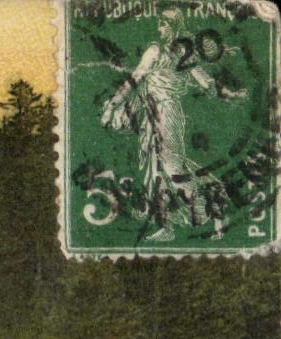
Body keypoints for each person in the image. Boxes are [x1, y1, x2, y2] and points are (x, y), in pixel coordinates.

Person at [101, 7, 246, 241]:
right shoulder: (159, 51)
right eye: (159, 23)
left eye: (164, 24)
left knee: (171, 167)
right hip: (151, 112)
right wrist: (113, 104)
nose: (159, 28)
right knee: (155, 169)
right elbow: (134, 79)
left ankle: (212, 202)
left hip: (166, 112)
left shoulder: (176, 54)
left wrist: (232, 94)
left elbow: (206, 83)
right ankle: (166, 226)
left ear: (174, 28)